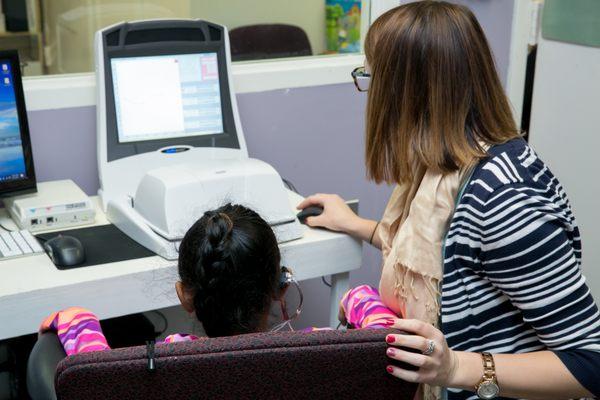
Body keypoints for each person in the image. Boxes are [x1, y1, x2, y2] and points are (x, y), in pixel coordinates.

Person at [298, 2, 600, 399]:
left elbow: (590, 365)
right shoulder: (444, 165)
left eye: (372, 77)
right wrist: (360, 227)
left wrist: (457, 366)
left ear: (403, 91)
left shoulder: (504, 199)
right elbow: (456, 258)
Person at [40, 204, 399, 355]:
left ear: (184, 295)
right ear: (281, 289)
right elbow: (384, 328)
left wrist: (77, 320)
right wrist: (356, 296)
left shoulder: (161, 363)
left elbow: (94, 370)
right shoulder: (323, 351)